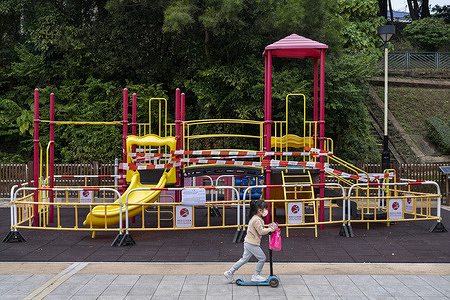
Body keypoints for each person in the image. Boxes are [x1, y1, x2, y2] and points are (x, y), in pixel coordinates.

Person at [224, 199, 278, 282]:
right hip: (252, 243)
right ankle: (256, 275)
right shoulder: (257, 220)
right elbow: (261, 231)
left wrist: (269, 228)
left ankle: (230, 272)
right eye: (265, 209)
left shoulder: (256, 218)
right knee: (262, 258)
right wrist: (270, 229)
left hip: (248, 242)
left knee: (244, 259)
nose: (266, 211)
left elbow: (260, 228)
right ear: (260, 210)